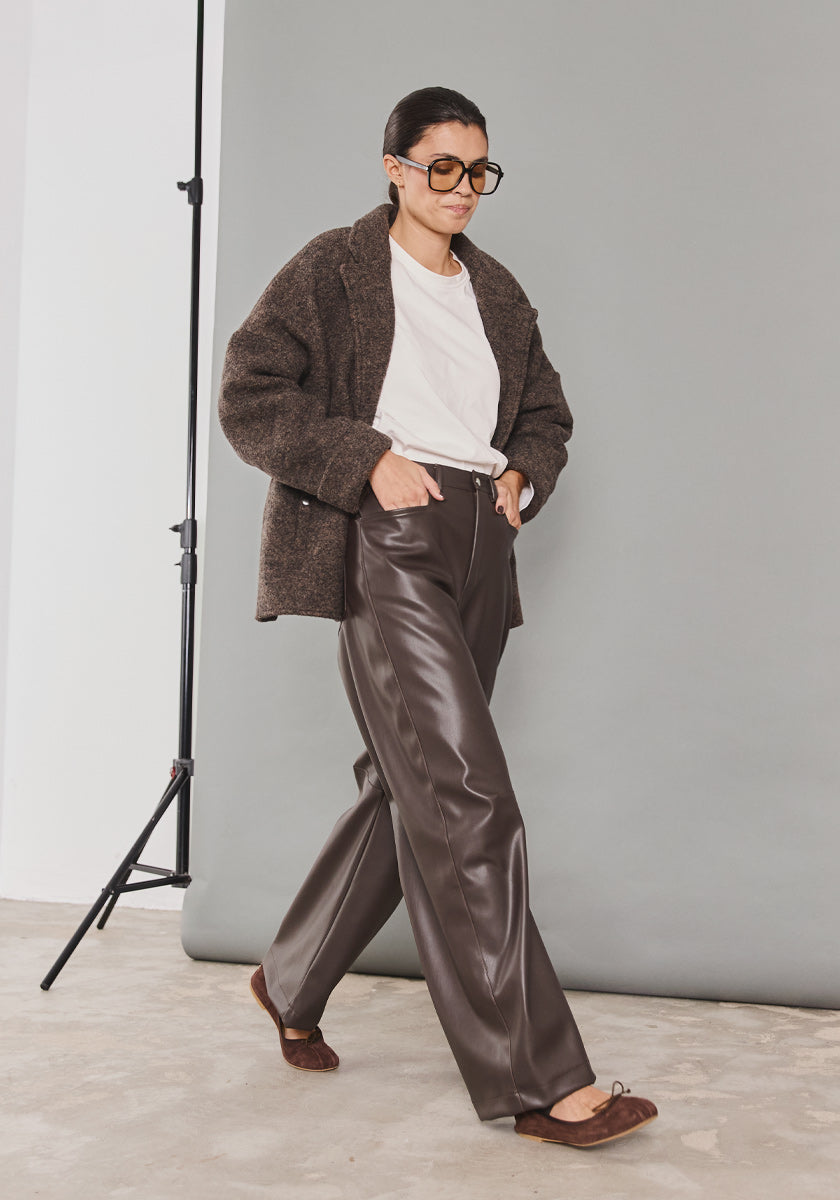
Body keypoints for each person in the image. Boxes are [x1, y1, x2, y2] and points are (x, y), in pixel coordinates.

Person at [218, 86, 658, 1148]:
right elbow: (250, 392)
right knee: (466, 795)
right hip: (391, 543)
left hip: (481, 551)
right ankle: (542, 1081)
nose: (462, 189)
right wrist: (364, 460)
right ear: (395, 168)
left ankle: (290, 978)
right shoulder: (334, 268)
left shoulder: (496, 290)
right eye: (442, 168)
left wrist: (522, 476)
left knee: (408, 790)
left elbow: (545, 413)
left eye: (479, 171)